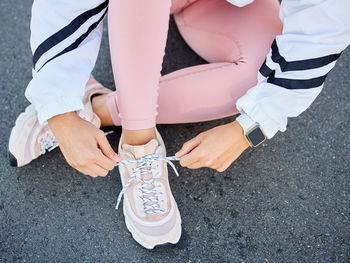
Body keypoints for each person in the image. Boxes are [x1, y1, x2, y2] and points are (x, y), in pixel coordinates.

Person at [8, 0, 350, 249]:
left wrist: (247, 130)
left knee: (258, 75)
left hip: (226, 6)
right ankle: (139, 143)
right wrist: (58, 111)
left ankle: (94, 108)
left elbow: (321, 32)